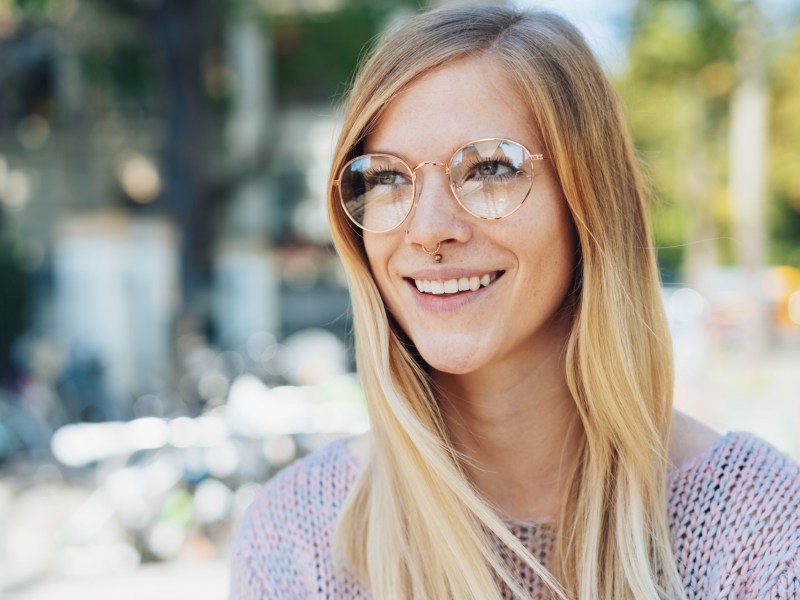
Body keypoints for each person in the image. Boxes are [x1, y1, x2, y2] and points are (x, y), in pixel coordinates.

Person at [230, 5, 800, 599]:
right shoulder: (297, 535)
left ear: (588, 203)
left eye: (489, 169)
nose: (428, 229)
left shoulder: (760, 531)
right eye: (387, 178)